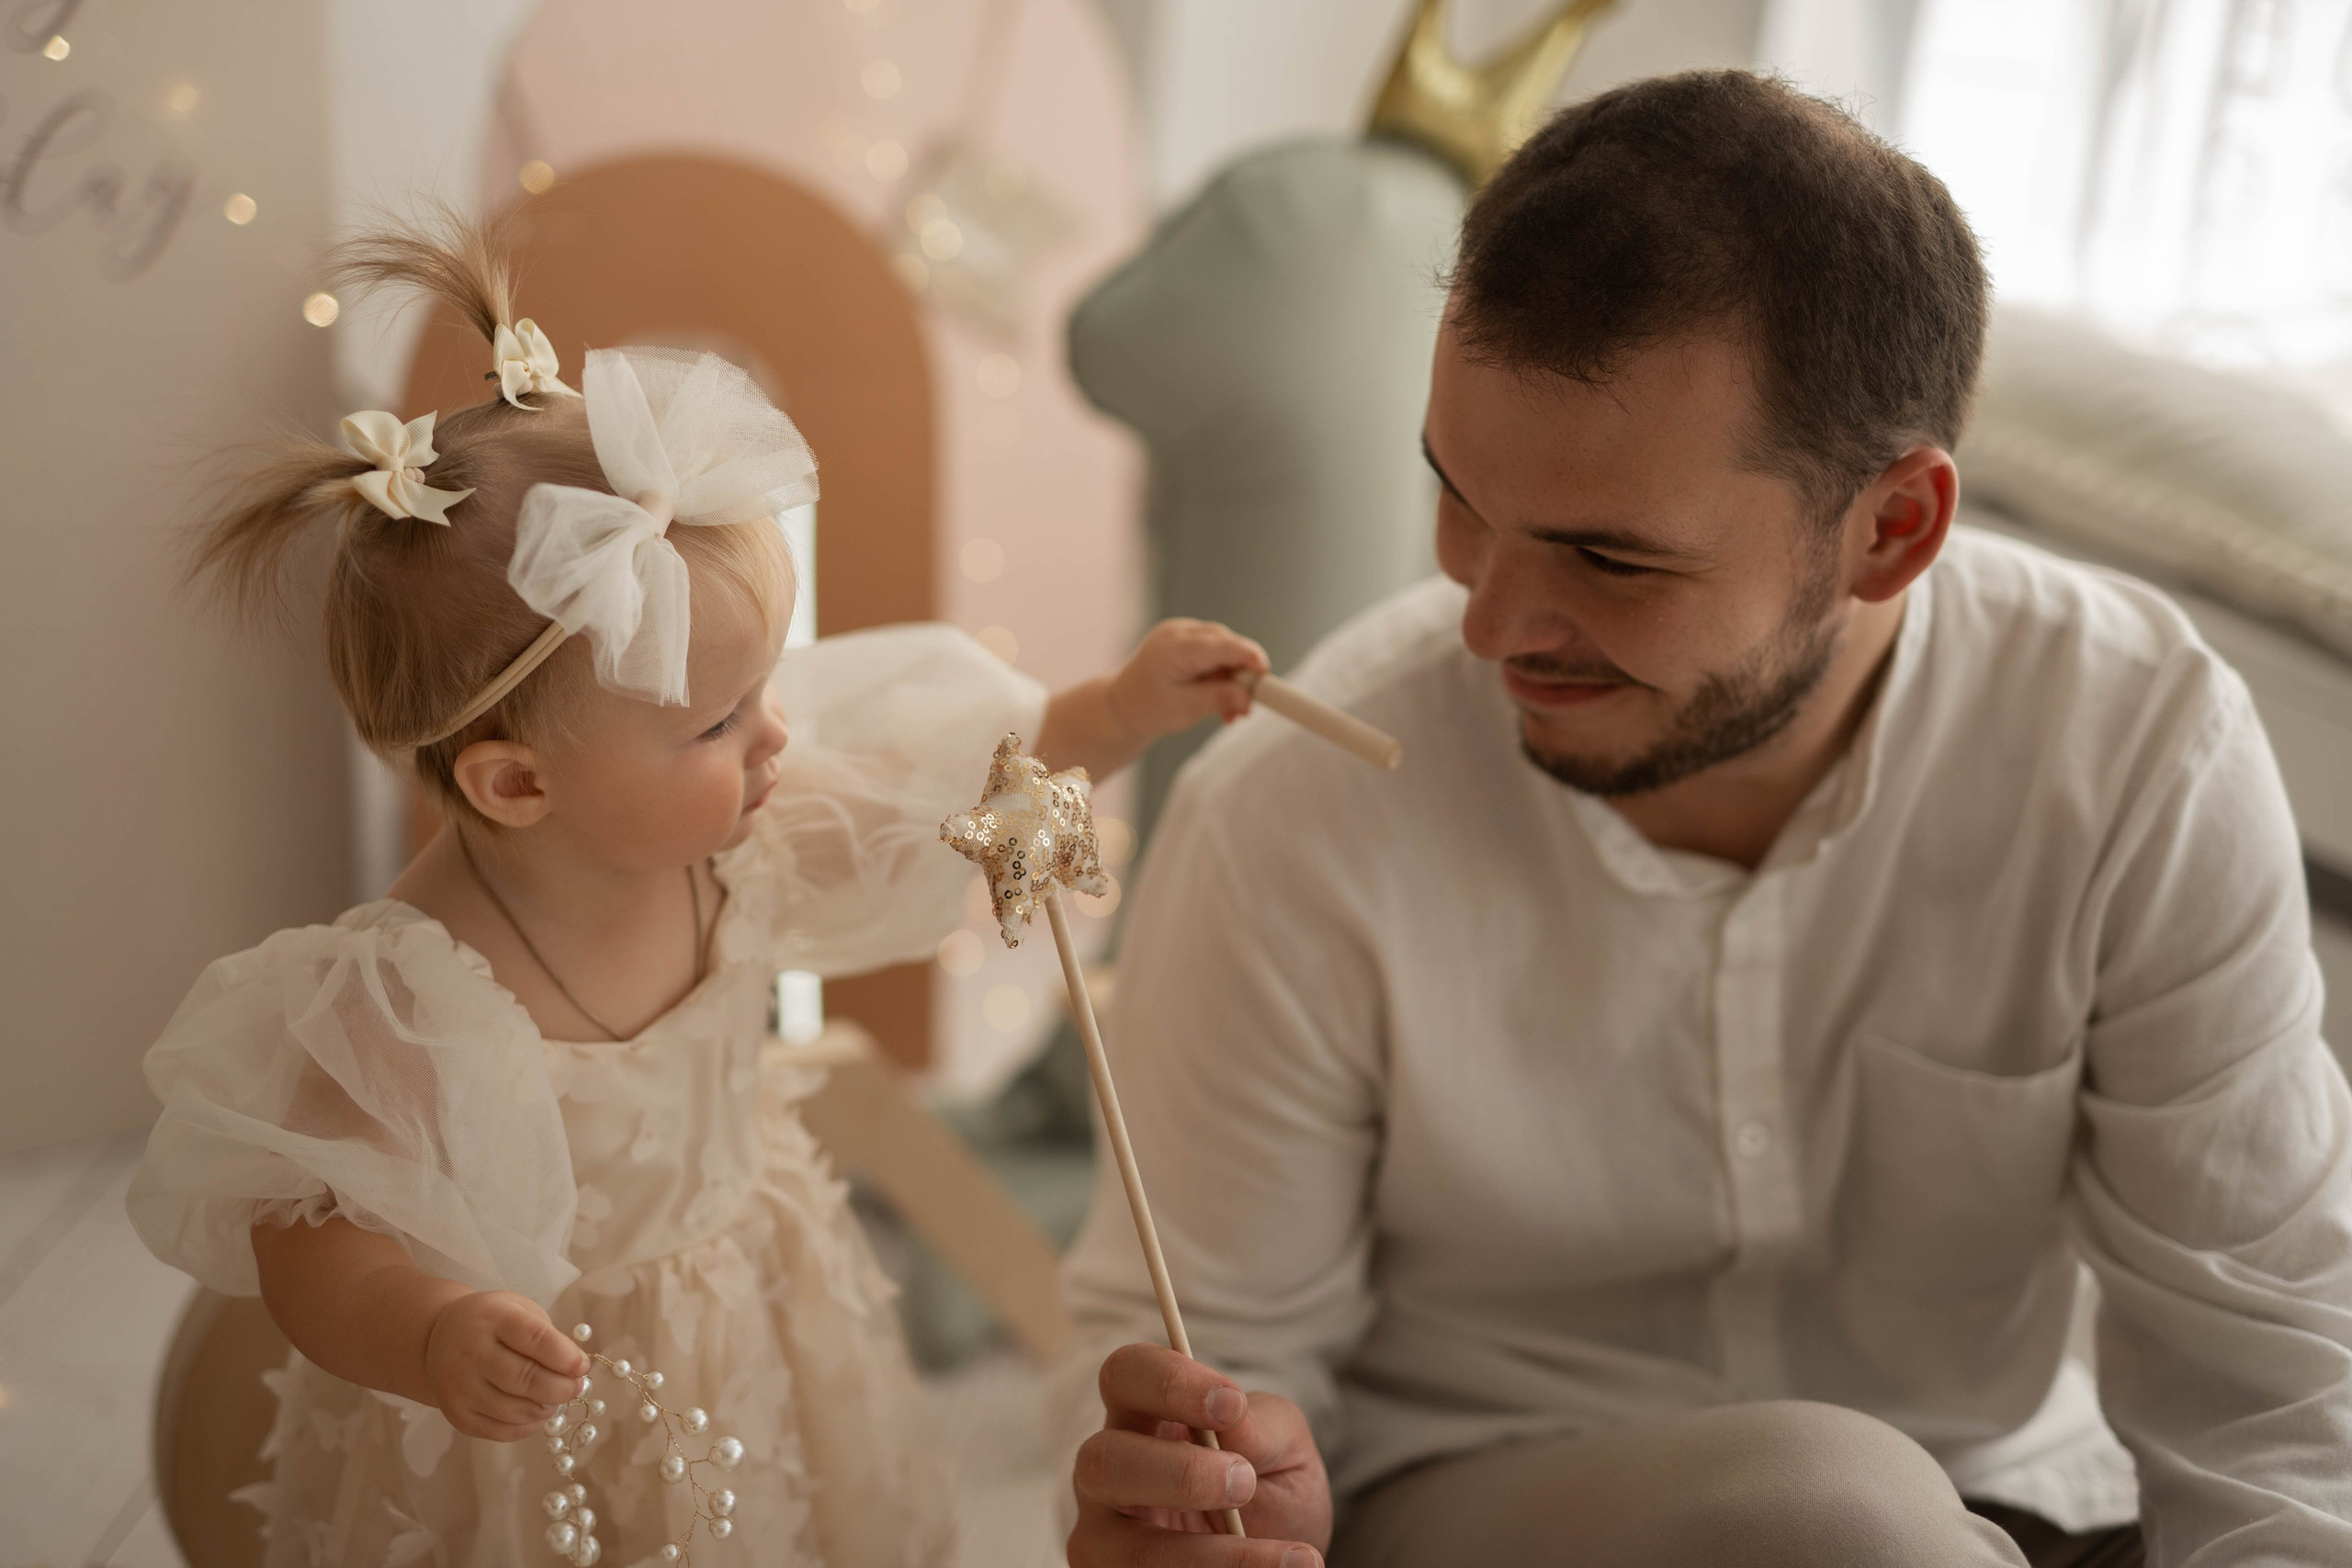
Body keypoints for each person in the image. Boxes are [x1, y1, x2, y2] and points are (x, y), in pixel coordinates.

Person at [1056, 71, 2352, 1568]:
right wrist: (1198, 1496)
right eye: (1460, 497)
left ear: (1892, 530)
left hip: (2010, 1505)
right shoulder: (1300, 808)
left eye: (1609, 558)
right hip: (1461, 1508)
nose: (1488, 623)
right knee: (1837, 1507)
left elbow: (2276, 1388)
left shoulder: (2137, 752)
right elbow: (1210, 1365)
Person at [125, 215, 1268, 1567]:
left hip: (751, 1334)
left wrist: (1119, 709)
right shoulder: (409, 991)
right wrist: (428, 1328)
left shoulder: (738, 846)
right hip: (533, 1420)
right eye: (718, 721)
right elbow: (309, 1243)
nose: (776, 737)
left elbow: (957, 776)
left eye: (766, 690)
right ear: (515, 786)